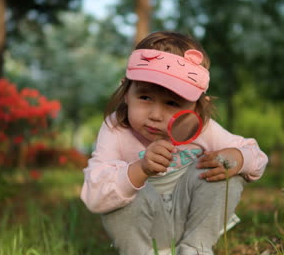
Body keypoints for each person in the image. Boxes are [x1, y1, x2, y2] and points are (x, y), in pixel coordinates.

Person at [80, 31, 268, 255]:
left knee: (225, 169)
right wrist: (139, 169)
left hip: (190, 220)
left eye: (172, 102)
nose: (156, 115)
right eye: (145, 97)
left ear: (197, 107)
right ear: (126, 93)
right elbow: (95, 195)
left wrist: (238, 159)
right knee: (119, 186)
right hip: (142, 231)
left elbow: (256, 155)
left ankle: (195, 249)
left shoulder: (202, 129)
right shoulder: (116, 129)